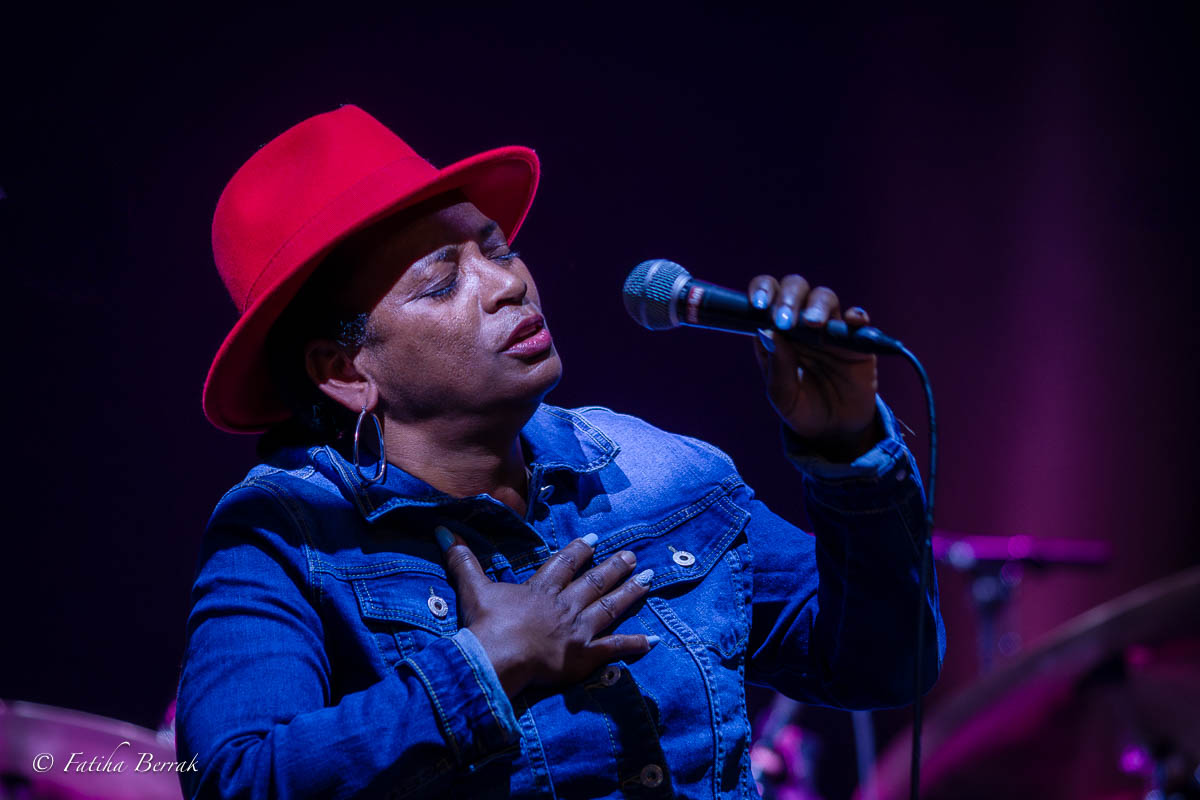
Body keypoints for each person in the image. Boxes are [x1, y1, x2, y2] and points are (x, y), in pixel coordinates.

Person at [176, 105, 945, 800]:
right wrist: (483, 669)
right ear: (346, 371)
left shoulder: (656, 473)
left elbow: (886, 664)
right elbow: (234, 781)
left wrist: (846, 447)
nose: (508, 284)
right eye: (441, 284)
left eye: (499, 249)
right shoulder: (287, 537)